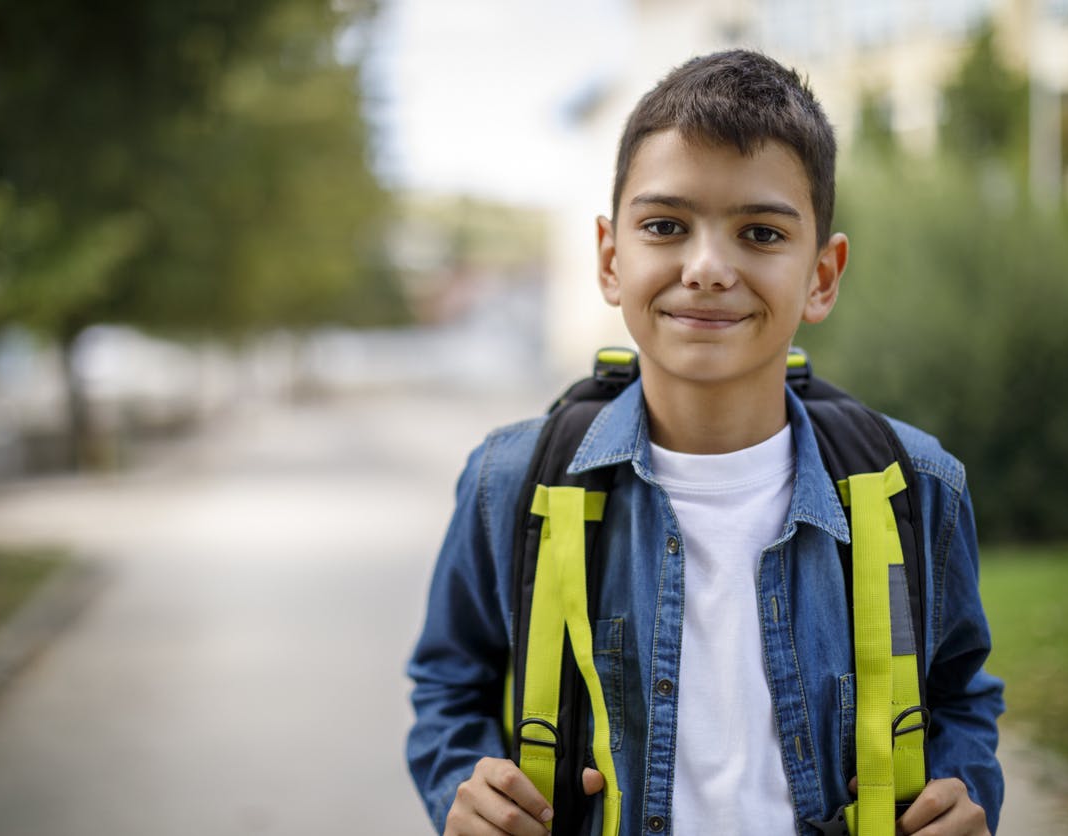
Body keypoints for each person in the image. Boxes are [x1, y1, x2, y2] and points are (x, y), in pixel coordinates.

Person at [406, 49, 1004, 835]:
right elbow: (450, 683)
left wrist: (965, 792)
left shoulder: (915, 484)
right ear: (612, 258)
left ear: (822, 276)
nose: (709, 268)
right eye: (665, 226)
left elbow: (961, 692)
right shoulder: (509, 480)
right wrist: (462, 785)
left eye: (760, 232)